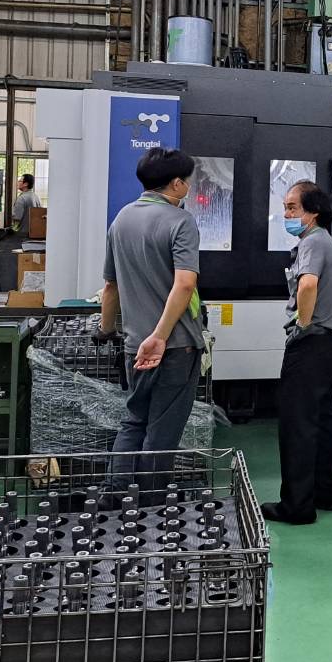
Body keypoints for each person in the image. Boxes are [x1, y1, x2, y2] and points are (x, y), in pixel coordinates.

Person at [97, 147, 205, 477]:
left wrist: (106, 330)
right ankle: (151, 502)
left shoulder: (121, 219)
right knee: (162, 433)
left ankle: (117, 496)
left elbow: (110, 287)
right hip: (174, 345)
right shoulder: (181, 221)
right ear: (176, 184)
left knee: (134, 421)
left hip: (135, 345)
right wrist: (160, 336)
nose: (189, 186)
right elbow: (185, 284)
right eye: (187, 181)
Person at [262, 180, 332, 525]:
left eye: (292, 208)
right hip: (328, 346)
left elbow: (308, 284)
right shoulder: (329, 243)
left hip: (310, 344)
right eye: (285, 208)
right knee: (322, 421)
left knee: (297, 424)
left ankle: (297, 506)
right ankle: (324, 492)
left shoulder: (312, 242)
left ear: (313, 212)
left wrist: (302, 324)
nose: (286, 214)